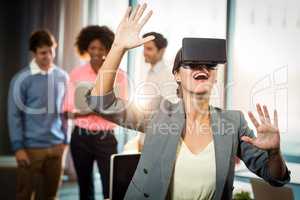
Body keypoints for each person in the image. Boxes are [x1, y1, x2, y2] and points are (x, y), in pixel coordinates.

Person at [86, 4, 290, 200]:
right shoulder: (158, 112)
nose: (202, 69)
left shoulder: (234, 122)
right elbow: (101, 103)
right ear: (176, 74)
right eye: (192, 65)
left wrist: (274, 153)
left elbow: (275, 177)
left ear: (215, 76)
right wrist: (118, 47)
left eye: (210, 65)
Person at [63, 25, 127, 200]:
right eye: (92, 47)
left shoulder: (119, 75)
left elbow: (122, 109)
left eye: (101, 48)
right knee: (85, 187)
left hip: (105, 137)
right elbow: (69, 110)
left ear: (107, 48)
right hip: (80, 137)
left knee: (111, 186)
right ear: (86, 48)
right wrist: (100, 107)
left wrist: (91, 107)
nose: (96, 52)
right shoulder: (76, 74)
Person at [8, 30, 68, 200]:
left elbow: (65, 111)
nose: (48, 56)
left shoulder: (62, 76)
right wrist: (18, 148)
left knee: (51, 196)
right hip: (30, 148)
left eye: (51, 51)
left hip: (56, 148)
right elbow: (14, 115)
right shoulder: (21, 79)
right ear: (34, 53)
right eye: (43, 52)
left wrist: (66, 141)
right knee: (25, 195)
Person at [124, 32, 177, 152]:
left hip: (157, 139)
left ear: (162, 51)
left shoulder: (167, 76)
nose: (144, 53)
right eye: (144, 48)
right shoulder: (150, 72)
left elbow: (168, 112)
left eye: (149, 49)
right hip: (147, 135)